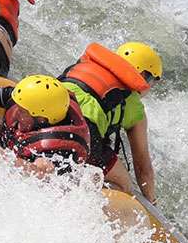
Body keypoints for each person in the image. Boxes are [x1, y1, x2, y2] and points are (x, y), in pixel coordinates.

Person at [57, 41, 162, 202]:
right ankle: (76, 199)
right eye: (153, 82)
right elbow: (142, 167)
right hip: (82, 132)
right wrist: (152, 202)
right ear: (144, 77)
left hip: (52, 107)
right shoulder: (133, 104)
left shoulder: (86, 66)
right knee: (123, 184)